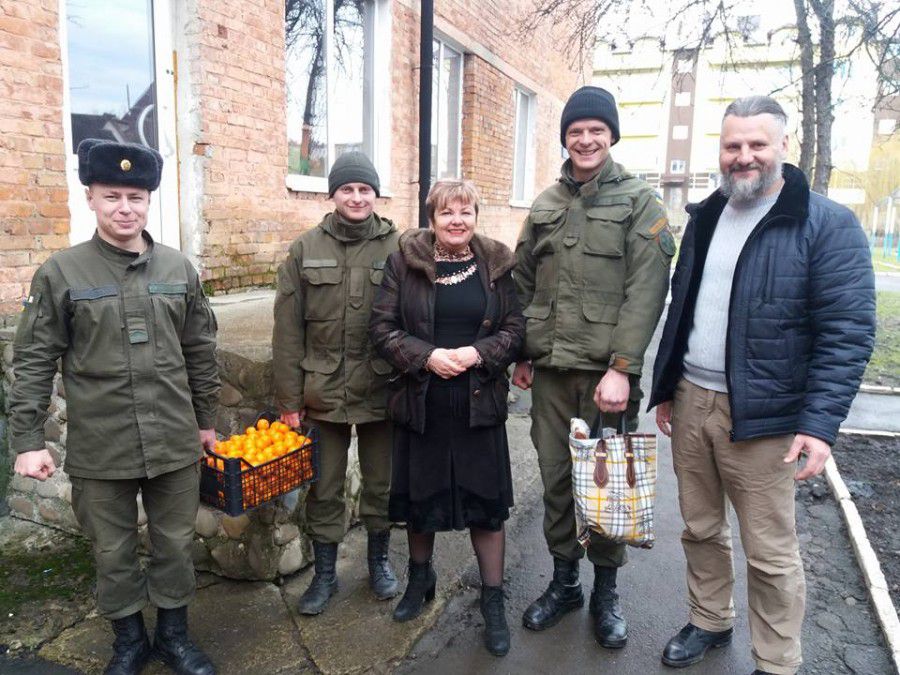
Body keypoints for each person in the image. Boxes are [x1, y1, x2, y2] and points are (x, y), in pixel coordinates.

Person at [649, 96, 876, 675]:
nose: (743, 156)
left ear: (782, 147)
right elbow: (684, 308)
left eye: (757, 144)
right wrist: (668, 384)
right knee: (699, 528)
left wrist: (819, 425)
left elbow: (847, 332)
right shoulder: (705, 214)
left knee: (771, 554)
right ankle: (709, 618)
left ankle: (776, 662)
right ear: (720, 151)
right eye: (733, 146)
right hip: (694, 400)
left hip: (767, 417)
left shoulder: (824, 223)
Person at [9, 139, 220, 675]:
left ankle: (173, 636)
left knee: (174, 544)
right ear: (90, 198)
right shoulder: (62, 273)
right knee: (112, 551)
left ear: (149, 201)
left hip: (173, 438)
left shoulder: (179, 268)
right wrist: (28, 440)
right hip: (102, 443)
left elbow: (200, 350)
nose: (124, 208)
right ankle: (129, 641)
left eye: (135, 196)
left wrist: (206, 422)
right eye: (111, 196)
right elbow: (33, 359)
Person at [512, 86, 674, 647]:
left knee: (606, 485)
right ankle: (564, 584)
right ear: (565, 138)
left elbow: (647, 288)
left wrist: (623, 368)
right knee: (558, 479)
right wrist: (523, 352)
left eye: (596, 130)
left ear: (612, 136)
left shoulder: (639, 201)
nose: (585, 139)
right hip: (552, 371)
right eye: (576, 130)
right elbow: (522, 280)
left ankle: (606, 591)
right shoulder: (546, 204)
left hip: (606, 376)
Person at [369, 179, 524, 656]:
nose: (456, 221)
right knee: (422, 496)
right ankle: (421, 580)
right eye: (446, 213)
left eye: (466, 212)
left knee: (485, 503)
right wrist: (427, 356)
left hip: (479, 401)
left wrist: (478, 354)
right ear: (431, 218)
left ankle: (492, 600)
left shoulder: (497, 265)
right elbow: (381, 327)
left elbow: (516, 327)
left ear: (476, 217)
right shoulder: (405, 262)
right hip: (424, 400)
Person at [273, 151, 400, 615]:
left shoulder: (398, 248)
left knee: (381, 484)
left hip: (381, 391)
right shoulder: (305, 248)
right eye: (347, 189)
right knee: (324, 487)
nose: (356, 197)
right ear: (332, 195)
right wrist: (289, 399)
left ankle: (379, 562)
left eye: (364, 189)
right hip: (321, 392)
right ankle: (325, 576)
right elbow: (287, 330)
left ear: (375, 194)